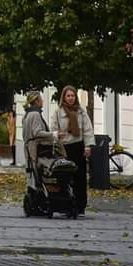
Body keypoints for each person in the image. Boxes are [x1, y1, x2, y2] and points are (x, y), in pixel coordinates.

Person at [50, 85, 94, 217]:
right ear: (64, 97)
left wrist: (88, 146)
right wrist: (57, 134)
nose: (70, 98)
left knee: (80, 177)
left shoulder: (81, 111)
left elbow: (87, 129)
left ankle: (80, 206)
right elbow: (52, 129)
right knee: (64, 176)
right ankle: (65, 205)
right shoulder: (58, 112)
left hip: (78, 146)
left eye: (72, 96)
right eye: (68, 96)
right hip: (64, 148)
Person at [22, 92, 51, 176]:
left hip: (28, 148)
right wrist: (52, 134)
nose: (43, 101)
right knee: (37, 174)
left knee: (31, 174)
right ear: (37, 101)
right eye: (41, 99)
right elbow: (37, 132)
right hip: (36, 149)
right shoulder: (35, 114)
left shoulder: (26, 114)